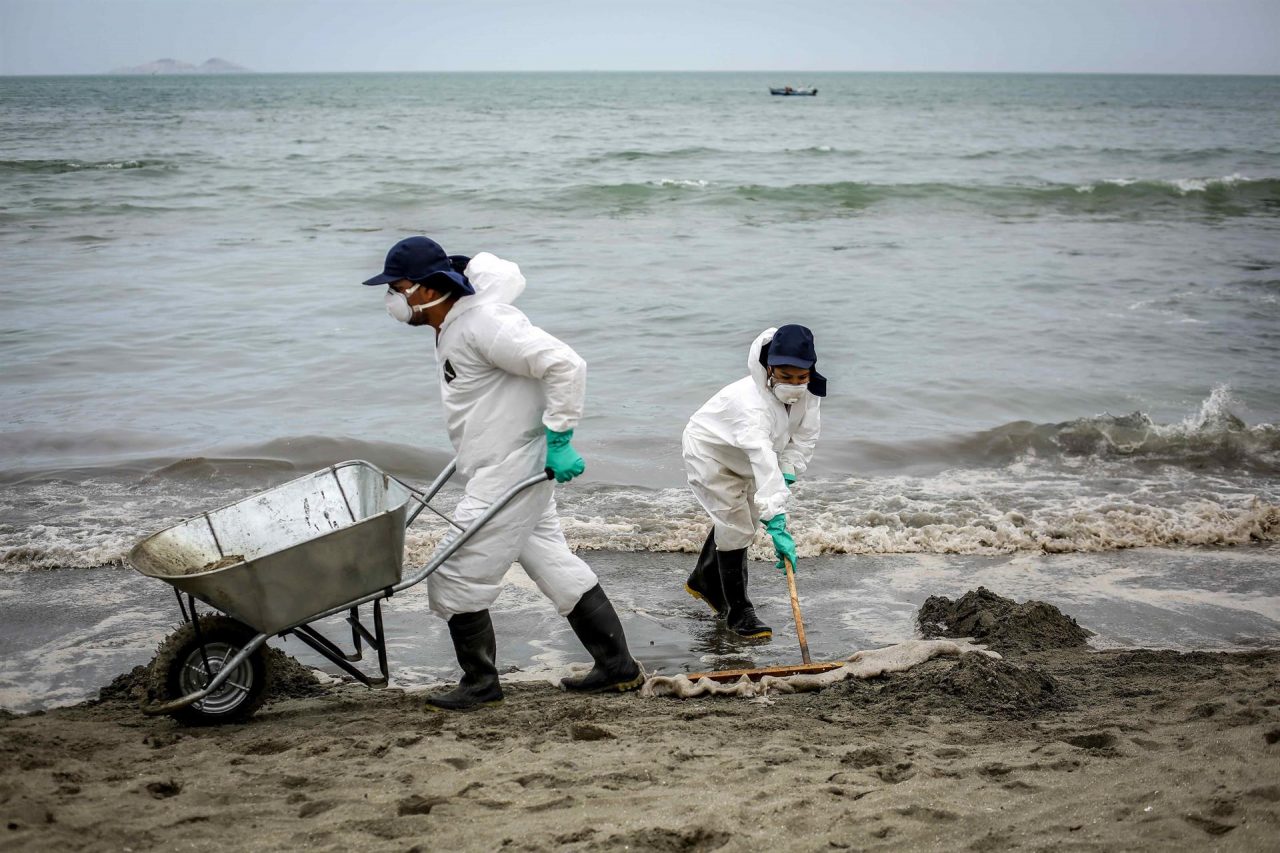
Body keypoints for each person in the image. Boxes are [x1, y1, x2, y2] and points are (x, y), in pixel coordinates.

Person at [363, 236, 643, 711]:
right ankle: (618, 668)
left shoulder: (484, 323)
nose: (392, 298)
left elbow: (565, 364)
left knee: (454, 570)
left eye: (399, 287)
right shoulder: (454, 322)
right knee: (554, 564)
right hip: (499, 464)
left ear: (431, 288)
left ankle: (480, 683)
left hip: (512, 468)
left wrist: (559, 438)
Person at [681, 325, 825, 640]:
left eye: (802, 377)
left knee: (744, 518)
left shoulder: (810, 392)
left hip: (746, 457)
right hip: (711, 453)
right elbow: (761, 457)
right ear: (769, 367)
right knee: (737, 525)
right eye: (787, 377)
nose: (796, 385)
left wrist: (788, 469)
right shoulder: (751, 406)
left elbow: (804, 436)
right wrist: (778, 522)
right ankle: (738, 612)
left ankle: (704, 579)